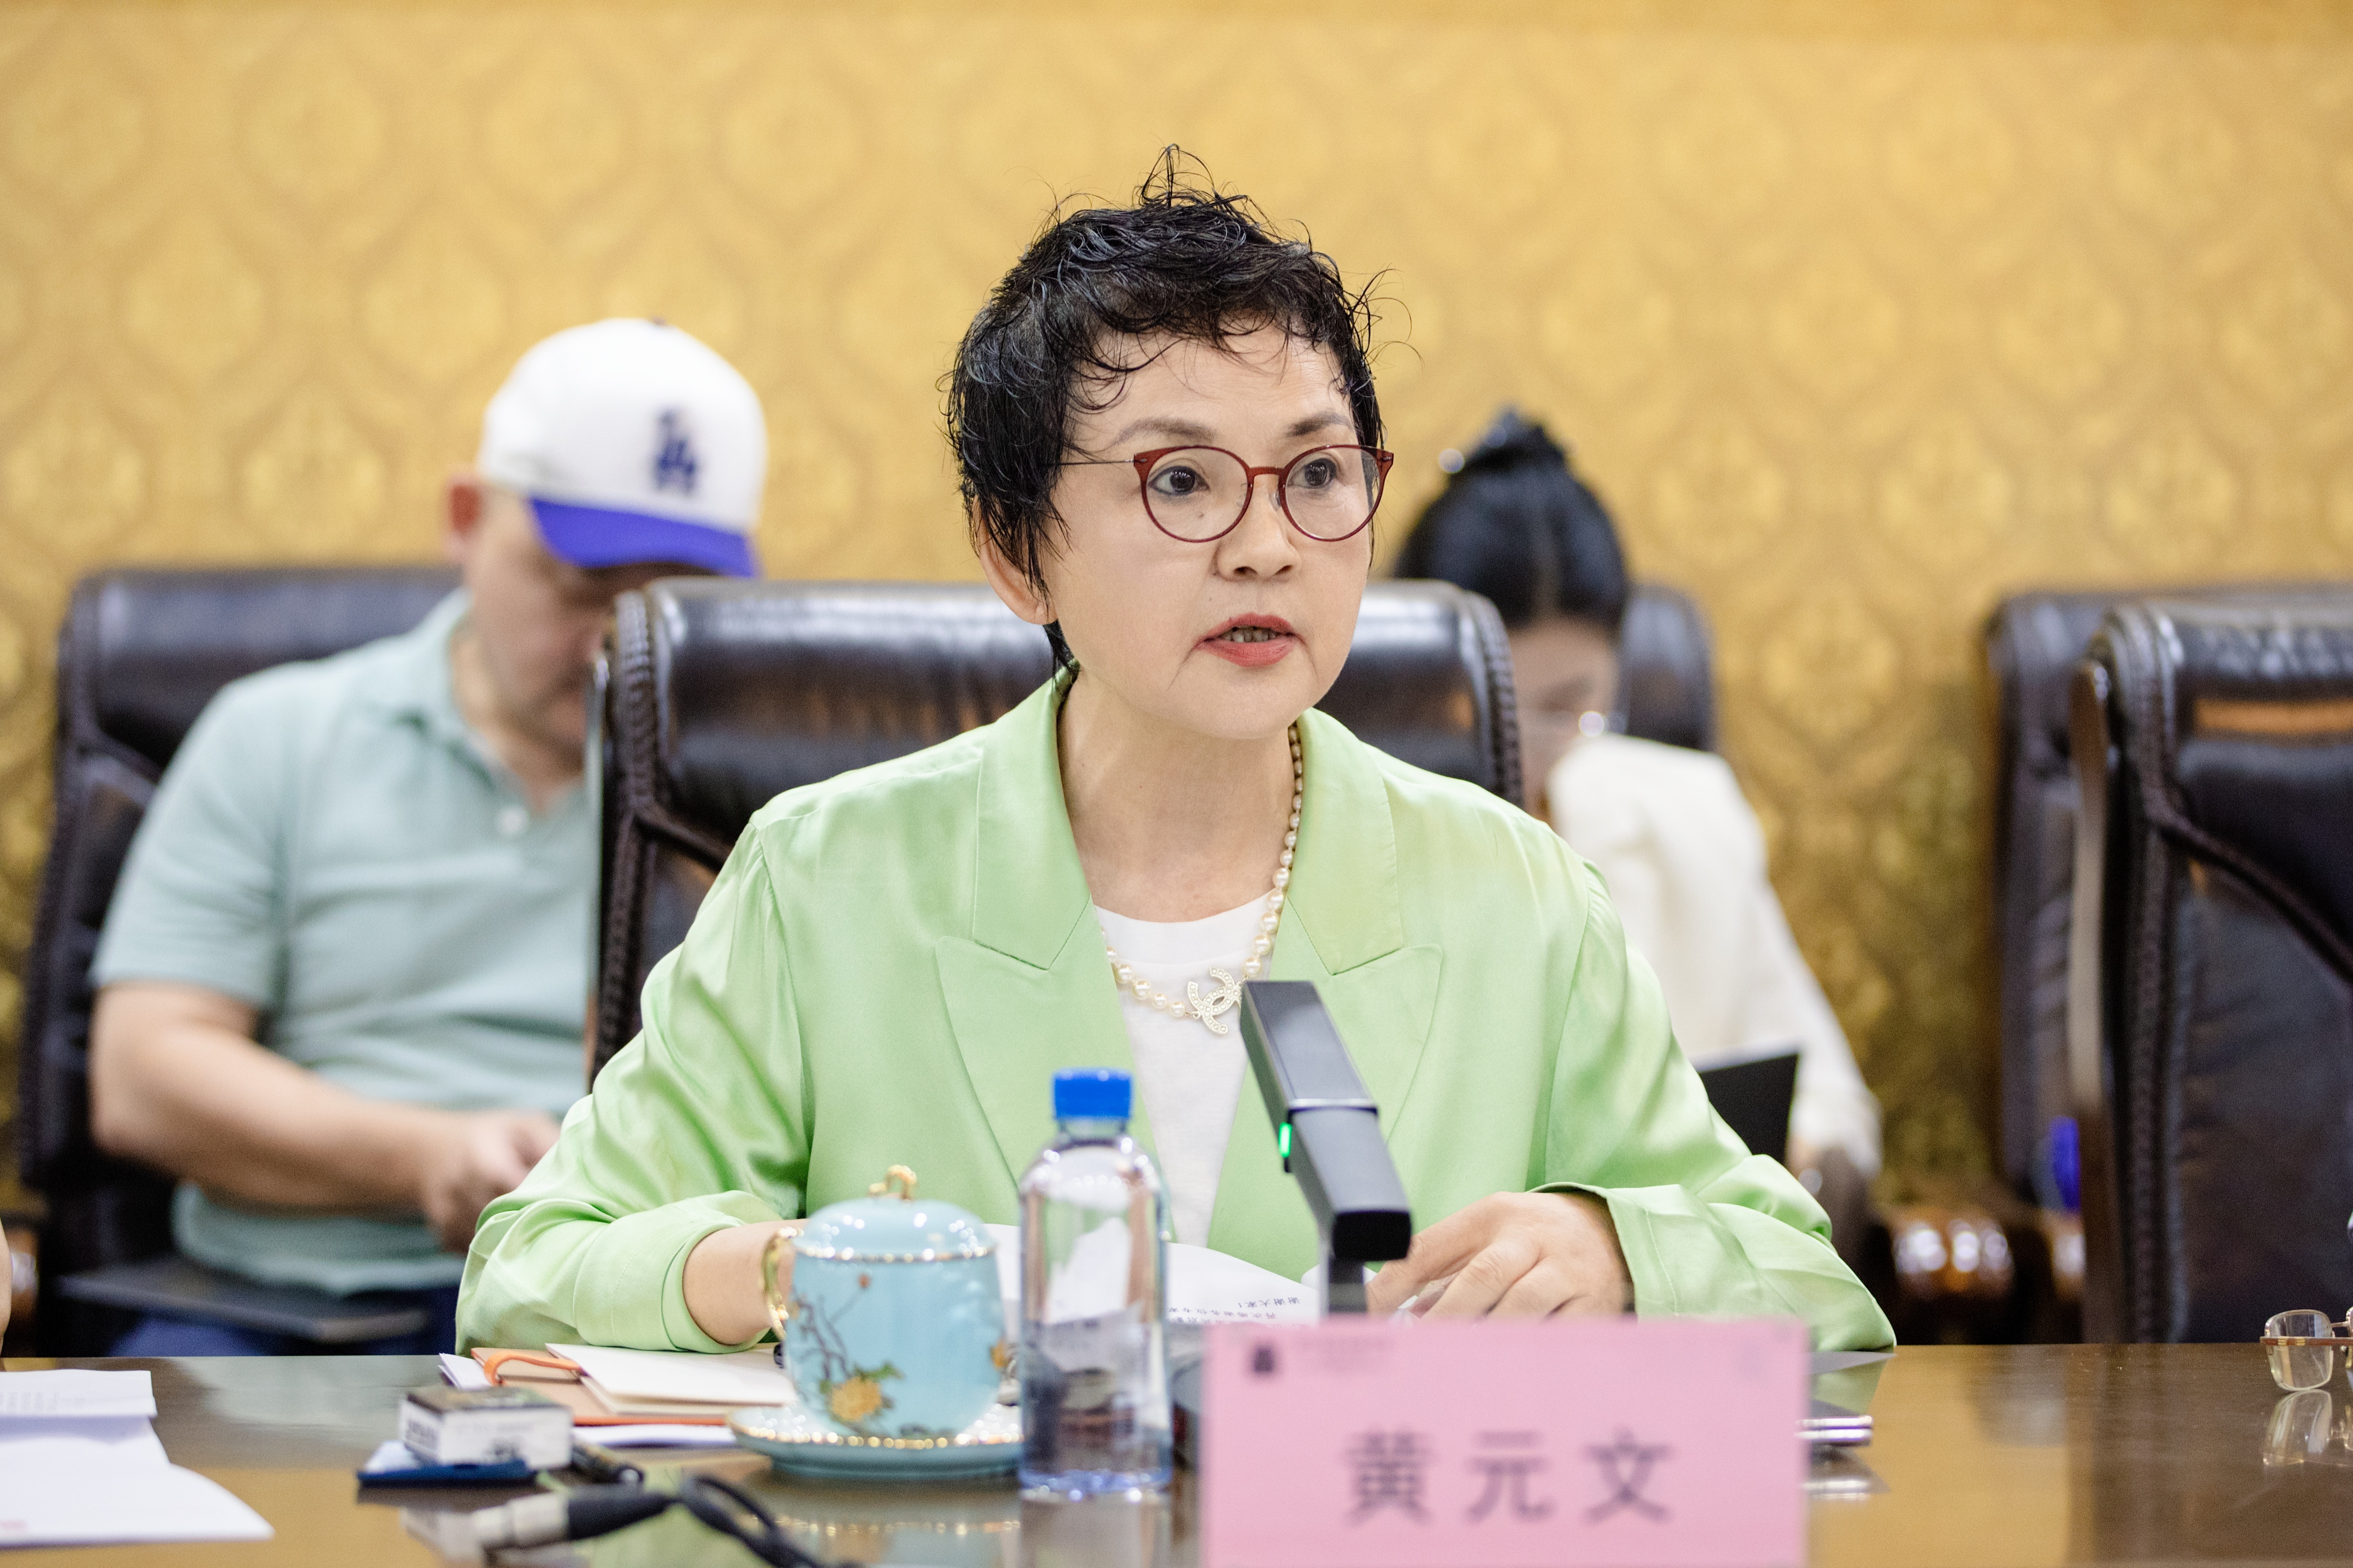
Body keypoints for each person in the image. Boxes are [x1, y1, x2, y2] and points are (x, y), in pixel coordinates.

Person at [459, 160, 1892, 1354]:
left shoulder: (1516, 891)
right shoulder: (828, 875)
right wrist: (787, 1270)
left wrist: (1612, 1247)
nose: (1266, 543)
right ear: (1016, 547)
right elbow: (529, 1271)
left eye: (1317, 473)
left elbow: (1814, 1291)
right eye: (1182, 479)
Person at [89, 320, 768, 1356]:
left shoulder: (763, 790)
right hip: (286, 1314)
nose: (614, 641)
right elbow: (143, 1076)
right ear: (465, 517)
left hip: (629, 1318)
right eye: (584, 587)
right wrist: (424, 1157)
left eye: (668, 601)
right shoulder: (278, 735)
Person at [1392, 409, 1882, 1200]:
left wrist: (1781, 1161)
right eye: (1488, 705)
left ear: (1618, 667)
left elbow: (1834, 1107)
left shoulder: (1689, 815)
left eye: (1566, 705)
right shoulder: (1335, 832)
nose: (1524, 745)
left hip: (1665, 1262)